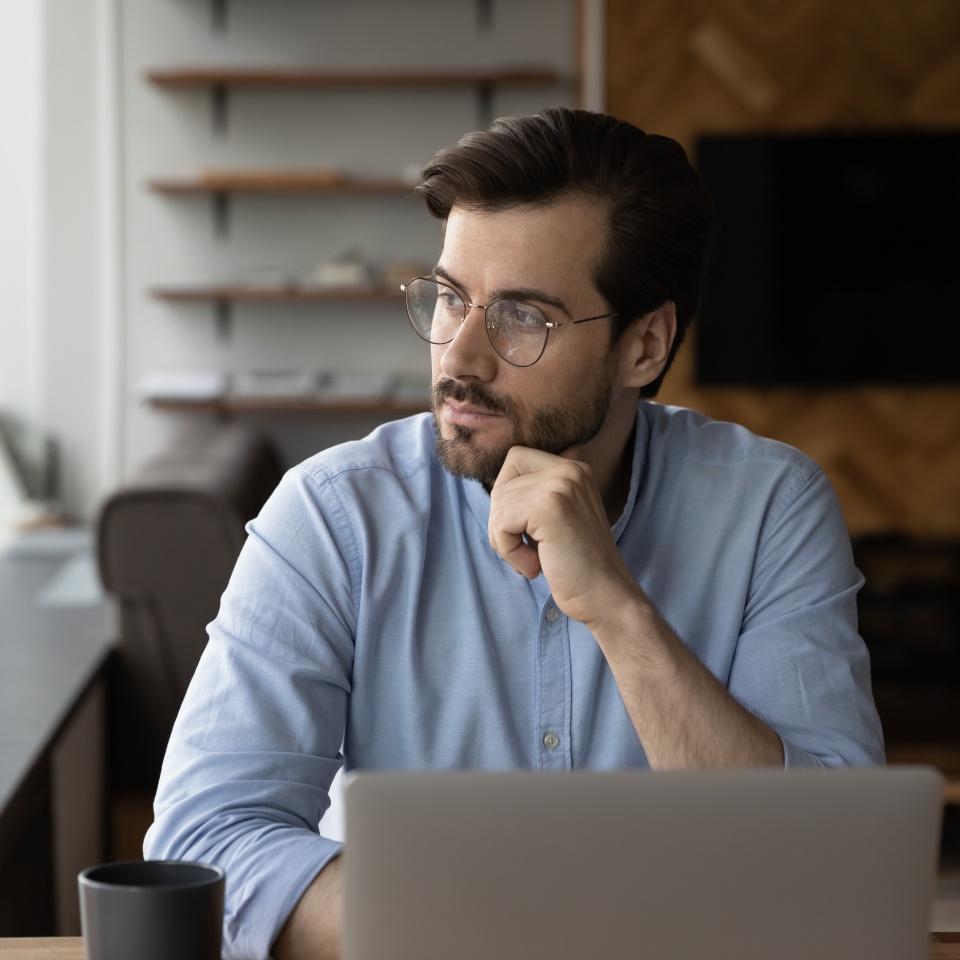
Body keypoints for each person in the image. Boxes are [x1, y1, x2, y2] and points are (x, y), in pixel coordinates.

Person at [144, 107, 885, 960]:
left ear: (645, 345)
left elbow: (832, 867)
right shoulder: (333, 517)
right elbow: (206, 842)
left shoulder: (768, 509)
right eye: (452, 298)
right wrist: (485, 929)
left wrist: (616, 609)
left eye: (523, 318)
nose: (460, 356)